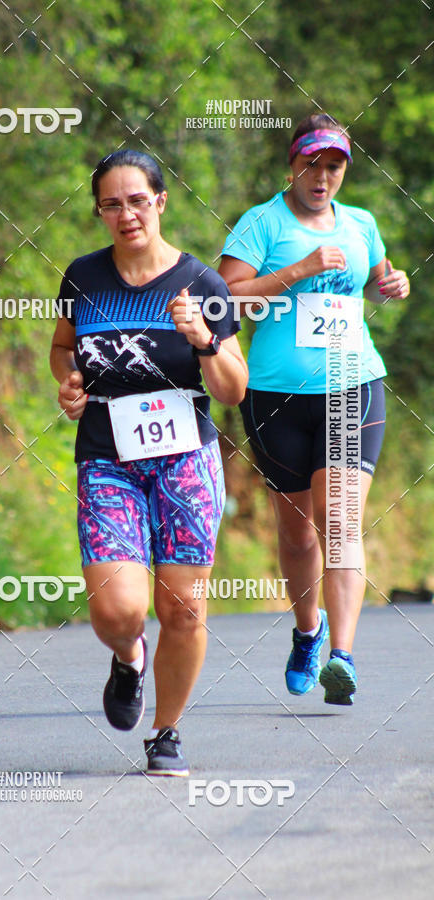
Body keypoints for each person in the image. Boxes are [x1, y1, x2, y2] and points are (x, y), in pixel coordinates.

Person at [50, 149, 247, 775]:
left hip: (185, 457)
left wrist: (204, 339)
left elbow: (232, 389)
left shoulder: (203, 286)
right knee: (118, 610)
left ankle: (166, 732)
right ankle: (129, 655)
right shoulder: (84, 278)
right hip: (108, 454)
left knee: (182, 607)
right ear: (100, 211)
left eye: (138, 200)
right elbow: (62, 349)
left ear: (160, 202)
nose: (127, 214)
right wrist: (68, 381)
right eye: (113, 203)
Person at [218, 114, 409, 706]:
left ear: (344, 171)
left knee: (340, 516)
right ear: (292, 165)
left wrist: (390, 284)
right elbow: (223, 295)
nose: (322, 176)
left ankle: (342, 657)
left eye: (334, 166)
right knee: (297, 533)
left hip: (353, 385)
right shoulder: (262, 222)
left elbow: (371, 282)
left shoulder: (362, 224)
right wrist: (299, 270)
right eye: (312, 164)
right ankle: (307, 633)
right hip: (276, 396)